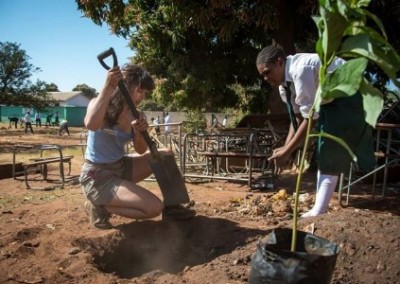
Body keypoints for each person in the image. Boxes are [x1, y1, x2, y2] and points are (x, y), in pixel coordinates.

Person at [256, 43, 375, 217]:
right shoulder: (284, 86)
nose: (266, 78)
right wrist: (285, 149)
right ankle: (319, 207)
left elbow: (309, 119)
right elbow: (297, 117)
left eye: (267, 72)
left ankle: (319, 210)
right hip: (329, 102)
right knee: (323, 148)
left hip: (350, 95)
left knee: (328, 147)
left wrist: (287, 151)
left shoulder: (301, 70)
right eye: (262, 75)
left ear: (280, 62)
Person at [80, 63, 194, 230]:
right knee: (153, 208)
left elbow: (141, 149)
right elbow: (91, 124)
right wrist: (107, 86)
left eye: (145, 93)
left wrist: (139, 131)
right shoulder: (99, 103)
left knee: (164, 154)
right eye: (139, 90)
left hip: (120, 167)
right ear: (127, 86)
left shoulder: (137, 114)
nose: (141, 97)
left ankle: (173, 207)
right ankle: (99, 207)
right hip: (97, 176)